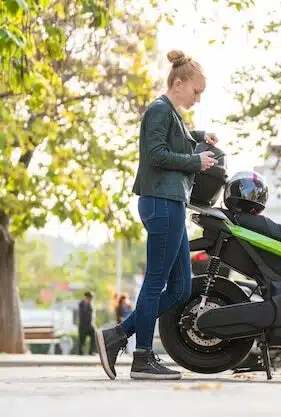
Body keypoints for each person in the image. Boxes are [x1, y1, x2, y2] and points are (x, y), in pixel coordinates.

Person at [95, 49, 218, 381]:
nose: (197, 98)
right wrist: (197, 161)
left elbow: (174, 140)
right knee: (155, 282)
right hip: (161, 203)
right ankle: (142, 357)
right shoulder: (159, 110)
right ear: (178, 84)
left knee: (179, 288)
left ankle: (118, 334)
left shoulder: (172, 115)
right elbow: (156, 153)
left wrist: (198, 136)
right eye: (196, 91)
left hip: (172, 203)